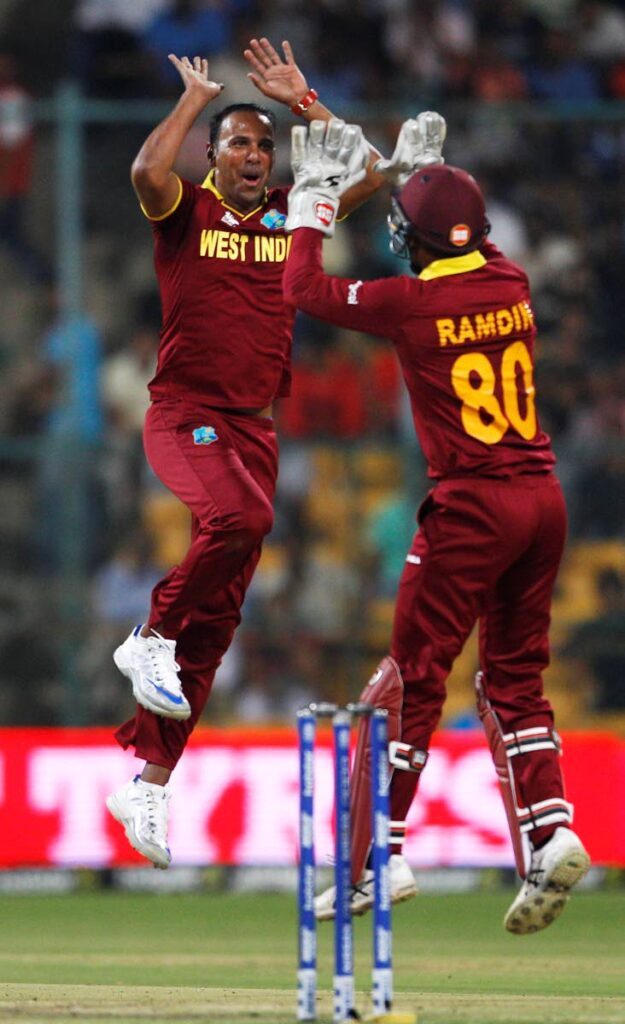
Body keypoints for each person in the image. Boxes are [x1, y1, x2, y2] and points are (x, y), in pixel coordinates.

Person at [105, 38, 423, 869]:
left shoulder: (291, 216)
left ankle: (148, 778)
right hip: (184, 415)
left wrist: (306, 102)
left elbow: (370, 174)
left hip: (254, 424)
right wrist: (193, 103)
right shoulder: (187, 211)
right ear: (213, 156)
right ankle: (148, 633)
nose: (252, 154)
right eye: (237, 143)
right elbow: (145, 175)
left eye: (261, 144)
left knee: (218, 621)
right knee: (241, 518)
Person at [281, 119, 591, 934]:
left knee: (411, 677)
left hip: (471, 507)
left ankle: (374, 858)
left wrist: (313, 202)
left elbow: (303, 293)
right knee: (512, 682)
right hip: (541, 503)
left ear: (417, 244)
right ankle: (549, 829)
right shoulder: (511, 281)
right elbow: (465, 241)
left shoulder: (409, 303)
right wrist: (427, 175)